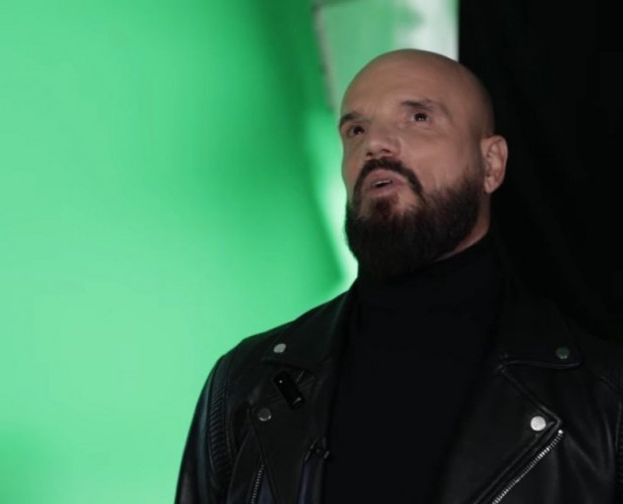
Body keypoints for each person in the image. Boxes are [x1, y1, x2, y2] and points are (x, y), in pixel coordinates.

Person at [175, 48, 623, 503]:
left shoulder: (604, 397)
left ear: (491, 164)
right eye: (356, 129)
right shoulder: (246, 383)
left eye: (418, 118)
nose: (375, 144)